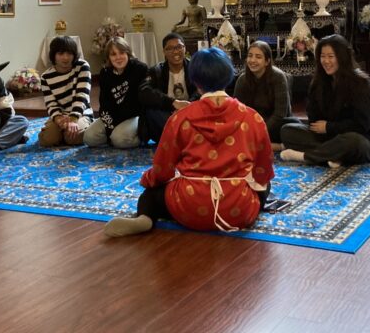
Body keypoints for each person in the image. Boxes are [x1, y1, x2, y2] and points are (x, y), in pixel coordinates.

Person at [104, 47, 274, 237]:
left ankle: (145, 218)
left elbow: (162, 169)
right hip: (238, 208)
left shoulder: (180, 118)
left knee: (151, 195)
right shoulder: (252, 117)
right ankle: (251, 210)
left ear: (195, 81)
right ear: (229, 76)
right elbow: (263, 169)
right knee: (265, 183)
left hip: (189, 206)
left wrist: (148, 179)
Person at [280, 34, 370, 167]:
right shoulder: (318, 82)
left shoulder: (361, 83)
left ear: (342, 58)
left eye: (331, 56)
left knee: (351, 141)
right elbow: (313, 119)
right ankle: (334, 155)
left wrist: (330, 127)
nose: (326, 61)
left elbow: (362, 125)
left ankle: (306, 156)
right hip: (329, 138)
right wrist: (321, 126)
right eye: (323, 56)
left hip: (362, 139)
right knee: (287, 131)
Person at [83, 37, 149, 149]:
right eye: (113, 54)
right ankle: (115, 137)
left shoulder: (140, 69)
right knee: (89, 138)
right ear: (108, 57)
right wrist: (110, 127)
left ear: (128, 53)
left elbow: (138, 103)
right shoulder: (105, 73)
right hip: (114, 116)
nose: (118, 57)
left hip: (135, 115)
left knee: (119, 140)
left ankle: (142, 137)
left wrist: (115, 126)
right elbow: (104, 103)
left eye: (122, 53)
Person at [234, 41, 299, 151]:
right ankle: (268, 145)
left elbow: (280, 114)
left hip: (275, 125)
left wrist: (260, 131)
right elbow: (237, 111)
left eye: (258, 57)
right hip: (252, 125)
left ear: (267, 61)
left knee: (291, 129)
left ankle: (275, 146)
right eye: (250, 56)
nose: (253, 60)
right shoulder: (243, 79)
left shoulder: (278, 77)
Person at [138, 32, 198, 145]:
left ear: (184, 48)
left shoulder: (194, 68)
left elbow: (201, 91)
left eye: (179, 47)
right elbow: (143, 92)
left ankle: (176, 139)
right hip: (166, 115)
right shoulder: (156, 71)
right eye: (170, 48)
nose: (175, 51)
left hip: (189, 112)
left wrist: (187, 106)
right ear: (164, 52)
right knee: (151, 112)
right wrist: (173, 103)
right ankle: (185, 138)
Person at [38, 35, 93, 147]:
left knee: (73, 138)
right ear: (54, 55)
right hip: (61, 116)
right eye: (61, 54)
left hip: (81, 114)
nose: (65, 58)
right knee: (48, 140)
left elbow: (82, 95)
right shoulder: (46, 77)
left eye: (69, 54)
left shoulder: (82, 66)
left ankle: (71, 132)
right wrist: (58, 119)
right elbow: (51, 104)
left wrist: (73, 119)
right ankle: (61, 133)